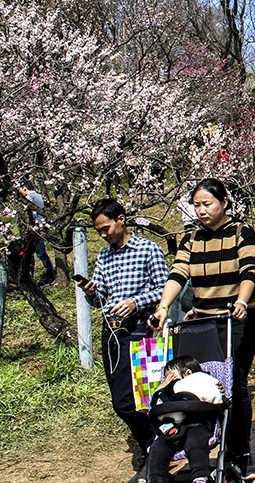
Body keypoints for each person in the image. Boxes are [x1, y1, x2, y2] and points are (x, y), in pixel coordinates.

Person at [149, 179, 255, 481]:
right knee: (201, 379)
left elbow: (250, 269)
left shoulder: (242, 232)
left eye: (207, 204)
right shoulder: (191, 239)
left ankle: (241, 452)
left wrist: (241, 299)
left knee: (234, 380)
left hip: (238, 317)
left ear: (224, 202)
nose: (201, 210)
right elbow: (179, 273)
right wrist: (163, 306)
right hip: (204, 319)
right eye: (196, 205)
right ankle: (201, 443)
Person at [82, 198, 169, 464]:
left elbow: (165, 287)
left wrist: (136, 302)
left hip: (141, 329)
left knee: (146, 395)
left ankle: (158, 448)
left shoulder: (147, 249)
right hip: (112, 332)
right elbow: (101, 299)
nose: (103, 234)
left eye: (105, 228)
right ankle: (151, 443)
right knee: (121, 401)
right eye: (98, 231)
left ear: (121, 219)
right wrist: (91, 293)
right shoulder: (104, 256)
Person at [146, 356, 225, 483]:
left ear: (188, 373)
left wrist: (219, 390)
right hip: (171, 429)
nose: (168, 380)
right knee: (158, 448)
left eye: (171, 376)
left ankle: (200, 475)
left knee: (195, 443)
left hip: (197, 425)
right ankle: (157, 478)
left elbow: (216, 397)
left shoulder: (201, 381)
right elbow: (154, 408)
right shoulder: (166, 391)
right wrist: (160, 389)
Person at [19, 184, 55, 285]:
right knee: (30, 254)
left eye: (20, 190)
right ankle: (31, 277)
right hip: (35, 230)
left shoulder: (34, 197)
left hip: (38, 229)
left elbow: (40, 214)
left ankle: (51, 276)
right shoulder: (34, 197)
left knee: (41, 253)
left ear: (24, 187)